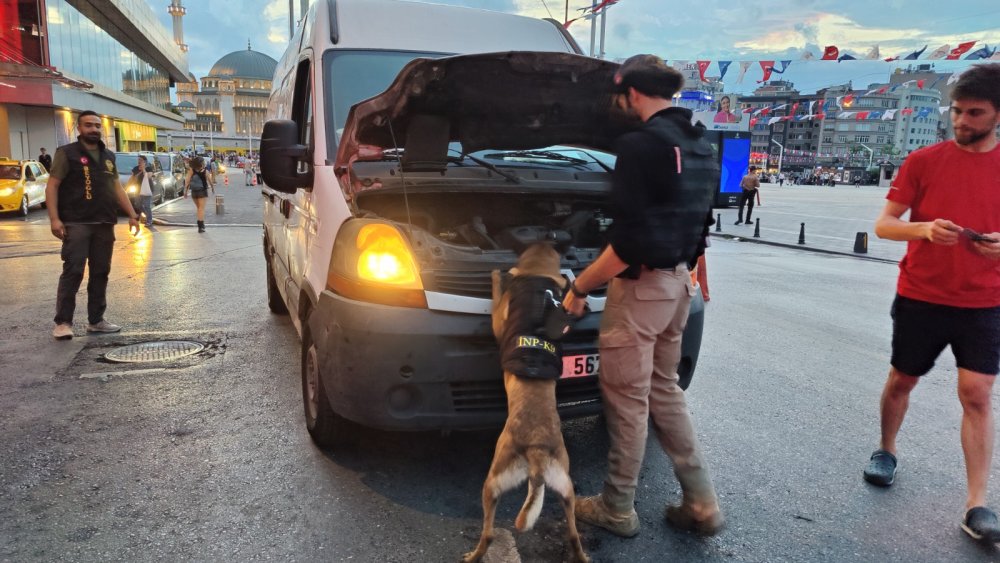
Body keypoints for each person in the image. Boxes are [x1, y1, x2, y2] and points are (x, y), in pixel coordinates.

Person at [562, 54, 723, 539]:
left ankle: (616, 507)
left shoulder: (639, 145)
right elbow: (701, 223)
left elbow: (628, 243)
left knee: (628, 401)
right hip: (679, 284)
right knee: (664, 391)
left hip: (642, 290)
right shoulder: (701, 143)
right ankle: (701, 502)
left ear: (631, 93)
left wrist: (579, 287)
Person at [864, 63, 1000, 543]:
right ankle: (886, 449)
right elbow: (884, 225)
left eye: (974, 113)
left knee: (977, 394)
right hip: (921, 294)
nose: (961, 120)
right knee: (903, 379)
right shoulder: (923, 161)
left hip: (985, 300)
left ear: (997, 114)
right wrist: (922, 228)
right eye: (956, 111)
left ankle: (977, 504)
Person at [45, 110, 140, 340]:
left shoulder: (108, 156)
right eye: (88, 125)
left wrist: (132, 214)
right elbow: (52, 186)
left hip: (104, 222)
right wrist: (55, 219)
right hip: (76, 221)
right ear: (79, 128)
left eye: (97, 126)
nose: (94, 129)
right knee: (73, 271)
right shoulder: (67, 153)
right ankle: (63, 323)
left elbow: (117, 188)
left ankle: (96, 320)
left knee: (100, 272)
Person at [183, 156, 214, 233]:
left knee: (199, 208)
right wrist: (212, 188)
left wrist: (185, 191)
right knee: (201, 208)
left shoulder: (191, 170)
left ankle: (200, 224)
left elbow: (187, 181)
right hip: (202, 191)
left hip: (194, 192)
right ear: (201, 163)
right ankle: (201, 226)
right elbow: (210, 181)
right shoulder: (205, 171)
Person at [131, 155, 154, 228]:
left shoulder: (148, 168)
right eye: (138, 160)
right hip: (138, 189)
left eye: (141, 160)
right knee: (138, 204)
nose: (139, 161)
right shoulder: (135, 169)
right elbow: (132, 178)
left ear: (145, 161)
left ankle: (149, 220)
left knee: (147, 206)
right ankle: (147, 215)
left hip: (147, 189)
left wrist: (143, 169)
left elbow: (148, 177)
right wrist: (127, 187)